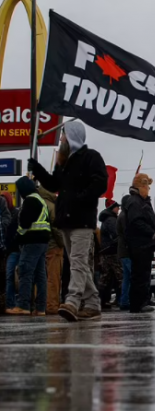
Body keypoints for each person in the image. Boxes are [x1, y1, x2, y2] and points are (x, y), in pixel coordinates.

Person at [29, 122, 108, 322]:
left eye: (63, 135)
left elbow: (100, 183)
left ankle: (72, 301)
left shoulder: (92, 157)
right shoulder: (63, 161)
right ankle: (92, 304)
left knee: (79, 262)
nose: (61, 139)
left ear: (72, 136)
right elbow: (54, 184)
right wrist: (37, 169)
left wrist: (80, 197)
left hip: (82, 220)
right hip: (65, 220)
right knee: (76, 263)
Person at [6, 177, 50, 315]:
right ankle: (41, 308)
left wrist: (17, 237)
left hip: (31, 241)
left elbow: (25, 223)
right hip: (42, 241)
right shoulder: (41, 200)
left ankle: (23, 305)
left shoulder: (30, 200)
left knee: (25, 271)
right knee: (40, 275)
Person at [123, 173, 155, 313]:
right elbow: (136, 221)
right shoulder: (135, 202)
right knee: (140, 275)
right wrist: (152, 233)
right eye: (147, 186)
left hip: (144, 244)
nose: (148, 189)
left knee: (143, 274)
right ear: (142, 186)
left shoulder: (140, 201)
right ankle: (138, 303)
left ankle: (142, 301)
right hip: (140, 244)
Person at [37, 187, 65, 315]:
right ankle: (52, 305)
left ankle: (39, 305)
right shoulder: (51, 206)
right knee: (53, 278)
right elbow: (56, 228)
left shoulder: (36, 202)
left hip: (39, 246)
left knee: (40, 277)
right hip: (53, 247)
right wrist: (63, 244)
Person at [98, 199, 123, 309]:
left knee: (105, 277)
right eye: (117, 207)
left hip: (106, 252)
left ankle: (102, 300)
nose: (118, 209)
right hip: (112, 252)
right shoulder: (112, 220)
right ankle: (121, 299)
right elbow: (117, 235)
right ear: (112, 208)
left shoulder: (106, 220)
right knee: (120, 276)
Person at [3, 192, 19, 313]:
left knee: (12, 277)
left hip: (14, 249)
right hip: (8, 250)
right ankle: (9, 303)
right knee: (9, 277)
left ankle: (13, 303)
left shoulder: (15, 214)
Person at [117, 195, 131, 311]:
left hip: (122, 251)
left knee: (126, 278)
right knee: (133, 276)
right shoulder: (125, 216)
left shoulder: (121, 215)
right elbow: (127, 233)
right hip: (127, 251)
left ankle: (124, 301)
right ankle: (128, 300)